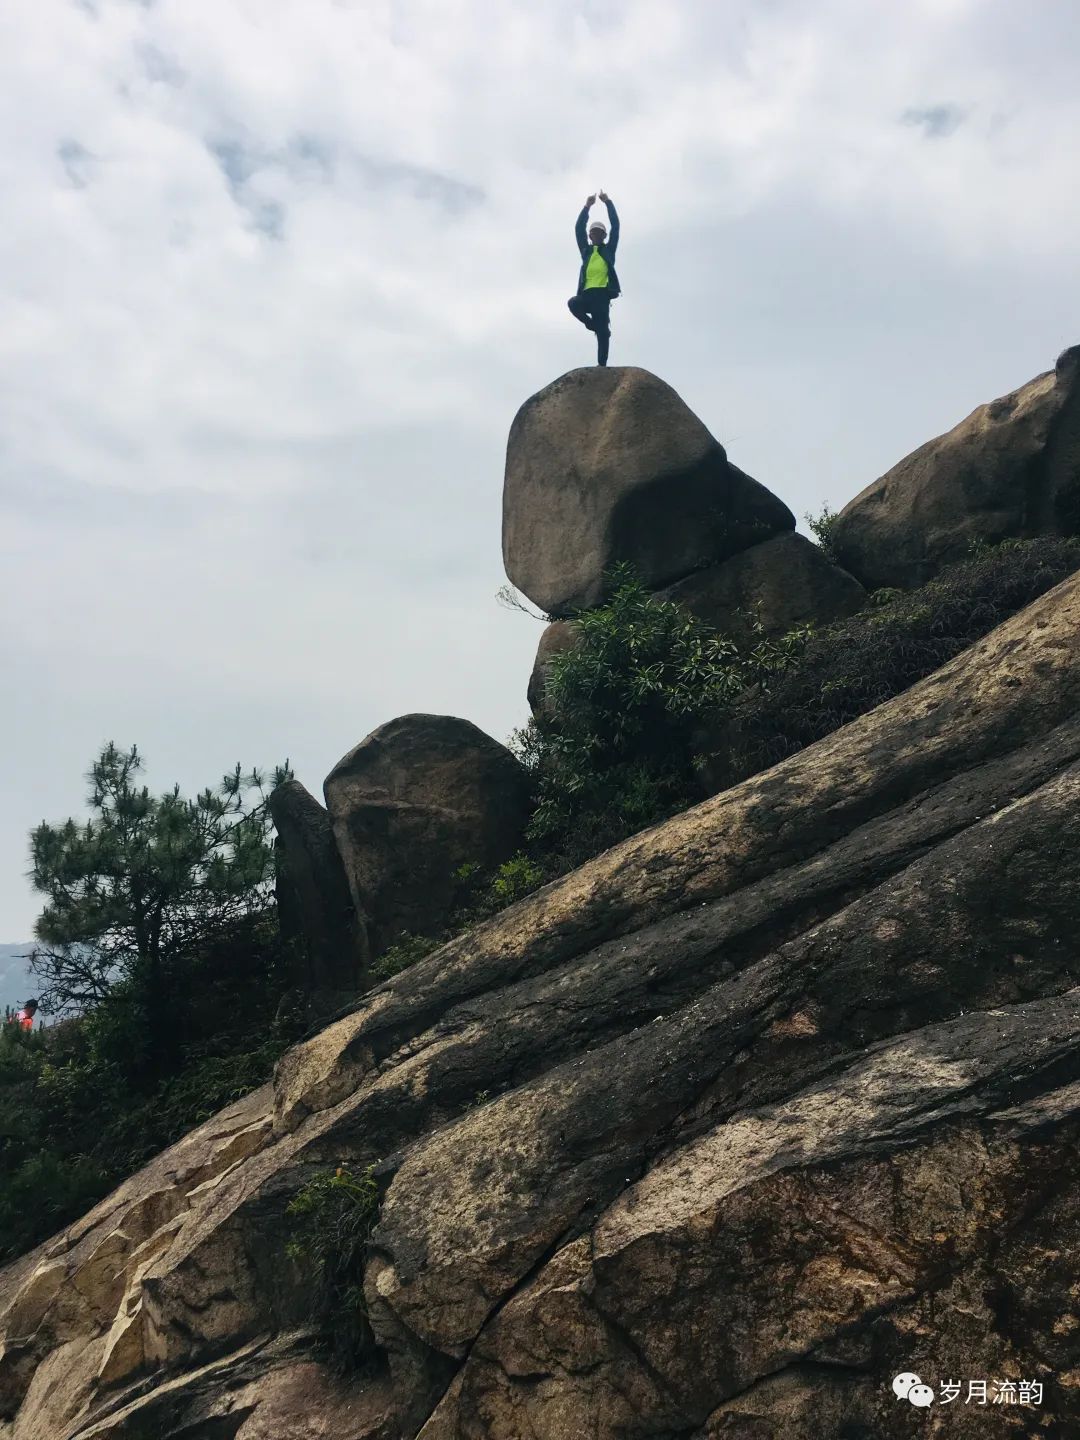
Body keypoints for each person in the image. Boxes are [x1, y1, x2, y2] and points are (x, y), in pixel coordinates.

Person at [568, 190, 621, 367]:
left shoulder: (609, 250)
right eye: (593, 233)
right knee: (573, 303)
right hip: (587, 295)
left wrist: (608, 202)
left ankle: (602, 365)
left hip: (602, 296)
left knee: (603, 332)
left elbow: (616, 225)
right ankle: (591, 325)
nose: (596, 234)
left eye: (599, 232)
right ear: (590, 236)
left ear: (604, 236)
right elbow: (578, 229)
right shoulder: (586, 252)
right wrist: (587, 206)